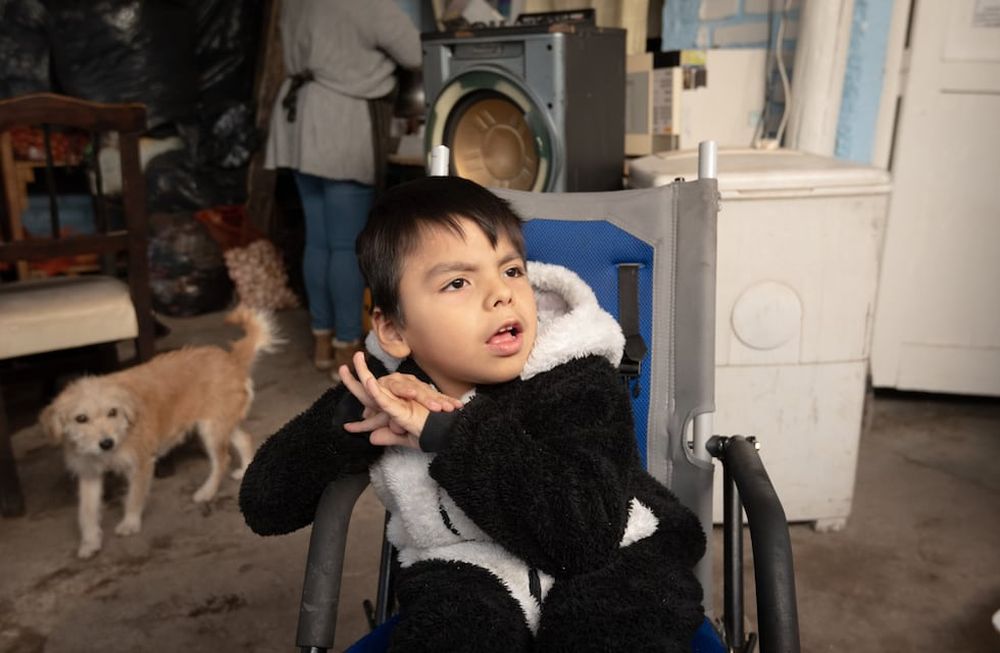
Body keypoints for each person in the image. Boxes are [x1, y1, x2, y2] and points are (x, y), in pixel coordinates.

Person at [240, 176, 706, 652]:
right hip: (468, 574)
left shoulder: (576, 375)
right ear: (395, 329)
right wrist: (358, 415)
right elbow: (264, 504)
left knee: (615, 626)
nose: (501, 294)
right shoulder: (388, 388)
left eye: (511, 271)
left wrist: (446, 433)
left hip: (616, 557)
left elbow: (582, 538)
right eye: (458, 282)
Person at [265, 0, 421, 374]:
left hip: (299, 116)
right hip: (340, 120)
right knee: (345, 244)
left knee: (318, 239)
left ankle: (322, 338)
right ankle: (346, 344)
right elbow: (416, 51)